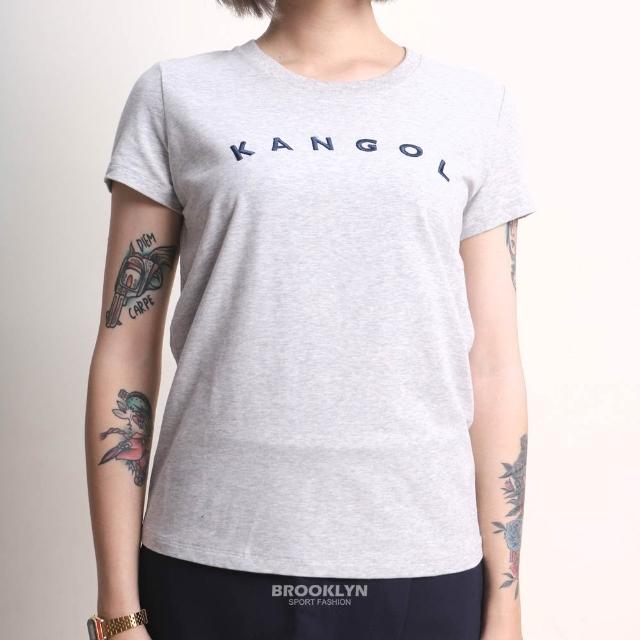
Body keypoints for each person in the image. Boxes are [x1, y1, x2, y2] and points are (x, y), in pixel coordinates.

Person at [85, 1, 535, 638]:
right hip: (211, 551)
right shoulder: (174, 94)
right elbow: (125, 350)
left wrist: (506, 604)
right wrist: (117, 612)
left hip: (420, 557)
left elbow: (492, 365)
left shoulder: (476, 107)